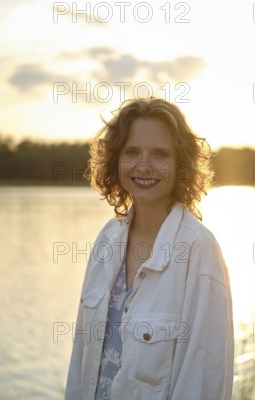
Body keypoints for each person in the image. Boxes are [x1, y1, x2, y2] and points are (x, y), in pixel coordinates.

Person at [65, 97, 234, 400]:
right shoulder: (107, 239)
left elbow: (203, 380)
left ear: (180, 164)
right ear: (117, 160)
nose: (144, 166)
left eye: (159, 154)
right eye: (132, 152)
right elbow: (80, 361)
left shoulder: (198, 251)